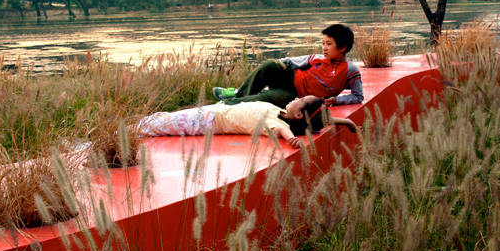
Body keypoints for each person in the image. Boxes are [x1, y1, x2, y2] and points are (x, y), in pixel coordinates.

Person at [213, 24, 363, 108]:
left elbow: (358, 96)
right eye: (323, 43)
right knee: (270, 65)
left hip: (296, 97)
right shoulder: (317, 58)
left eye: (329, 44)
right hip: (290, 77)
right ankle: (239, 93)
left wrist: (338, 100)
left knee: (268, 97)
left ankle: (225, 105)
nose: (324, 48)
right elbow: (290, 61)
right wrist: (277, 66)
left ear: (343, 47)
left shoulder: (350, 70)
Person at [135, 96, 357, 148]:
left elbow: (282, 131)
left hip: (208, 122)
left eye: (300, 100)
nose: (296, 98)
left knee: (162, 124)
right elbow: (321, 117)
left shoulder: (278, 123)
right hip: (218, 110)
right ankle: (130, 126)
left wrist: (293, 141)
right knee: (162, 118)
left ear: (299, 116)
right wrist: (345, 122)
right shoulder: (281, 111)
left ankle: (123, 132)